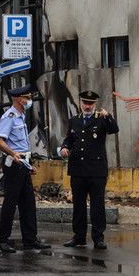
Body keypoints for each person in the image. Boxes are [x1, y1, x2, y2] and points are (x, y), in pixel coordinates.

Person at [0, 83, 51, 253]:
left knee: (28, 204)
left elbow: (22, 146)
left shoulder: (20, 116)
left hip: (22, 165)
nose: (29, 100)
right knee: (10, 203)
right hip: (13, 166)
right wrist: (12, 153)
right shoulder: (9, 116)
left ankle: (30, 239)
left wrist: (28, 165)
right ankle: (2, 240)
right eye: (27, 98)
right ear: (19, 99)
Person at [60, 91, 119, 249]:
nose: (87, 106)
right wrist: (65, 147)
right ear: (80, 103)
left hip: (96, 171)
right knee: (78, 206)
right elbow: (69, 139)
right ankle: (79, 237)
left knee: (97, 206)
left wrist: (108, 116)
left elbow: (114, 129)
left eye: (90, 103)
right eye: (85, 102)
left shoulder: (101, 119)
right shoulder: (74, 120)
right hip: (78, 170)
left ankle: (98, 238)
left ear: (95, 104)